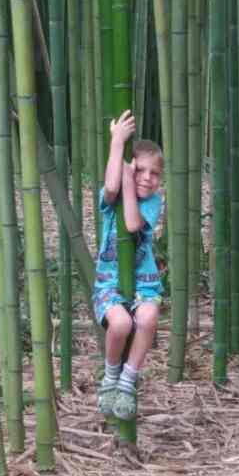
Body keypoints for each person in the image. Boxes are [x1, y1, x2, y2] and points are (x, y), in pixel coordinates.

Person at [93, 109, 164, 420]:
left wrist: (128, 180)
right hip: (108, 284)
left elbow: (133, 224)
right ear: (130, 169)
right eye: (140, 171)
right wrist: (117, 142)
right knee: (120, 324)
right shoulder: (113, 197)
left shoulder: (152, 202)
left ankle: (127, 381)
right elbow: (111, 187)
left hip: (145, 286)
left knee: (148, 317)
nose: (147, 178)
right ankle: (110, 377)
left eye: (154, 173)